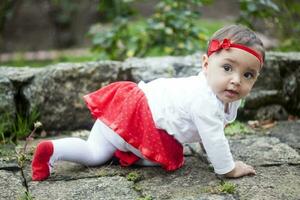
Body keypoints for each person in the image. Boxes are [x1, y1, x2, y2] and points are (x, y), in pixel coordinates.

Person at [31, 24, 265, 181]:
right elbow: (213, 136)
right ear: (206, 65)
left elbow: (210, 132)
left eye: (248, 75)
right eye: (227, 68)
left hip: (122, 109)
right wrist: (229, 168)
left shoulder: (221, 92)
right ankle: (128, 151)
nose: (236, 81)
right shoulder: (205, 101)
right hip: (140, 120)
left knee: (93, 151)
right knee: (172, 157)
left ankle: (55, 149)